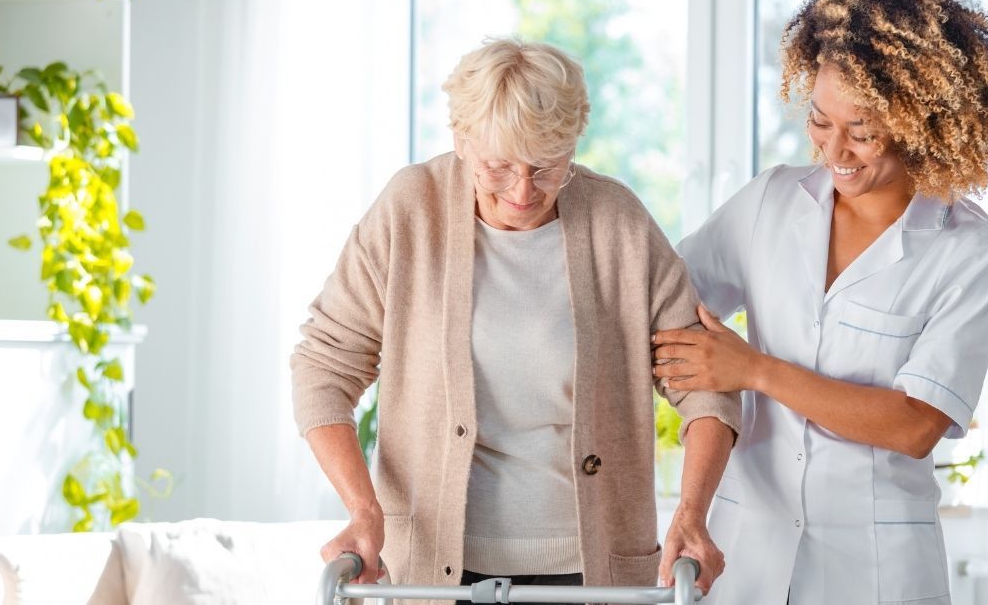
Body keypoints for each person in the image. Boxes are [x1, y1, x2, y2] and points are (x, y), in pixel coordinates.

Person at [290, 37, 739, 604]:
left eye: (548, 166)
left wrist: (693, 514)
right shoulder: (411, 210)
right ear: (461, 140)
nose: (524, 191)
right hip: (432, 569)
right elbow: (322, 368)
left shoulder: (617, 222)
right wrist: (362, 509)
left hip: (592, 571)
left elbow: (706, 386)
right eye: (498, 167)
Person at [651, 0, 988, 603]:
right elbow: (659, 300)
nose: (835, 150)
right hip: (747, 550)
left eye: (863, 131)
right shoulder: (770, 201)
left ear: (923, 125)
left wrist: (755, 371)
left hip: (875, 565)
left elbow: (915, 424)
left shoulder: (971, 249)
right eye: (821, 121)